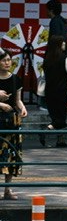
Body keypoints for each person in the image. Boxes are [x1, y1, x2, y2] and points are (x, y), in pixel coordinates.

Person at [38, 31, 67, 147]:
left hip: (49, 91)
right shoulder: (65, 58)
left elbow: (43, 76)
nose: (64, 45)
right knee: (61, 117)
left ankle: (60, 140)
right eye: (63, 43)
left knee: (55, 116)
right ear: (58, 45)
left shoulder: (46, 59)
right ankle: (46, 130)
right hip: (61, 91)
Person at [0, 48, 24, 198]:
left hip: (11, 122)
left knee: (11, 156)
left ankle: (7, 189)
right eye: (4, 60)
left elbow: (18, 100)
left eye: (9, 60)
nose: (7, 63)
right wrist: (1, 104)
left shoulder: (15, 79)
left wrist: (23, 108)